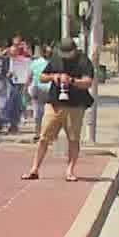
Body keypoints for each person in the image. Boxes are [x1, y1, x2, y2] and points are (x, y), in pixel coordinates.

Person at [23, 39, 94, 183]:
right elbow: (42, 77)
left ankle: (70, 170)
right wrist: (53, 77)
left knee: (73, 139)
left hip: (75, 105)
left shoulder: (83, 61)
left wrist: (72, 81)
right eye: (63, 53)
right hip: (54, 104)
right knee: (44, 137)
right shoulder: (56, 59)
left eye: (68, 54)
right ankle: (34, 169)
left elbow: (88, 82)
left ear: (74, 51)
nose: (65, 57)